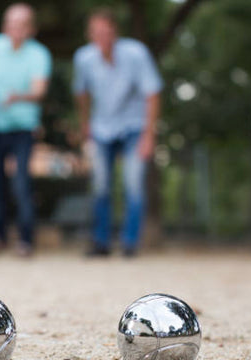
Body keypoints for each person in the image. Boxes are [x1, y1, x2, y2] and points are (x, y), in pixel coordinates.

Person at [73, 8, 163, 258]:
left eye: (106, 30)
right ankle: (101, 242)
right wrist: (85, 125)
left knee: (133, 185)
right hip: (101, 128)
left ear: (115, 31)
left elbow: (152, 94)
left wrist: (149, 134)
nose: (101, 36)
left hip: (135, 126)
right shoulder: (84, 58)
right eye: (96, 32)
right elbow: (81, 93)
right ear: (89, 35)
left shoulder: (136, 53)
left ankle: (129, 243)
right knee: (100, 186)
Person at [0, 3, 52, 257]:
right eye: (11, 23)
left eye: (22, 24)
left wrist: (18, 97)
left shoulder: (39, 54)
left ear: (31, 29)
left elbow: (40, 90)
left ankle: (26, 240)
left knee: (21, 183)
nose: (15, 29)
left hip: (23, 127)